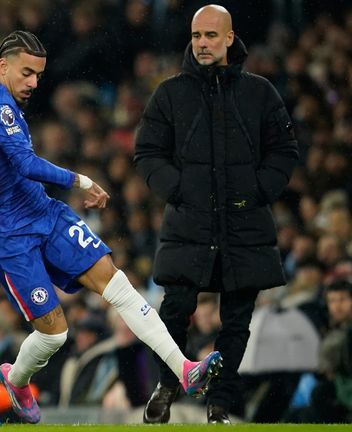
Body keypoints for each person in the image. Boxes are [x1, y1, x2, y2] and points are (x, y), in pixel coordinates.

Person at [0, 30, 222, 425]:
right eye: (26, 73)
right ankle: (16, 379)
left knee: (117, 284)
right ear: (3, 66)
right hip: (6, 233)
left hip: (44, 212)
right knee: (55, 334)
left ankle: (184, 370)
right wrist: (82, 180)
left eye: (38, 75)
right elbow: (25, 163)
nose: (34, 83)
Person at [134, 5, 299, 424]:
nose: (202, 43)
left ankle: (219, 403)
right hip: (190, 220)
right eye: (195, 36)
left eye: (210, 35)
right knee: (175, 308)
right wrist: (179, 190)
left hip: (244, 222)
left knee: (237, 319)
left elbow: (284, 151)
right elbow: (147, 152)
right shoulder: (170, 93)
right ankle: (169, 383)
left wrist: (258, 190)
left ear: (229, 39)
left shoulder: (260, 92)